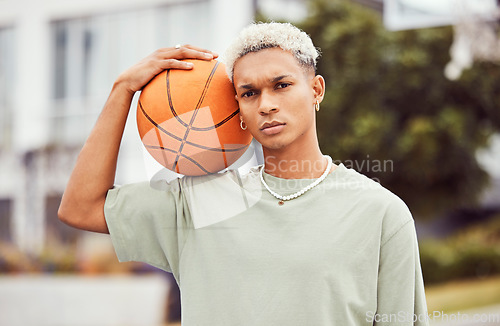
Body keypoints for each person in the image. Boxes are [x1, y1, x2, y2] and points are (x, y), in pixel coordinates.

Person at [59, 22, 429, 325]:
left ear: (316, 90)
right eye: (248, 93)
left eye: (281, 85)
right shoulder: (198, 201)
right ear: (237, 110)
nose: (266, 104)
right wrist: (122, 90)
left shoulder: (381, 213)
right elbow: (80, 207)